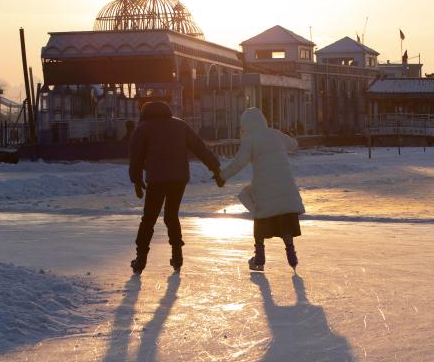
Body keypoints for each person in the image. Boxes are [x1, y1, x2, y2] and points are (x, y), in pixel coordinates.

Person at [128, 101, 225, 274]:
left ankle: (141, 259)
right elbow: (199, 147)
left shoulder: (143, 128)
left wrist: (136, 180)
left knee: (149, 219)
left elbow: (135, 157)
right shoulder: (180, 125)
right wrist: (215, 168)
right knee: (171, 215)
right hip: (179, 179)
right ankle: (177, 256)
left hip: (156, 180)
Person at [219, 107, 305, 272]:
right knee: (285, 220)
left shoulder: (250, 140)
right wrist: (289, 135)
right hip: (285, 186)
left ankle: (259, 258)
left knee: (259, 216)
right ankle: (291, 255)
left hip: (264, 187)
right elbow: (294, 145)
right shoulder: (275, 134)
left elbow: (238, 163)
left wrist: (222, 176)